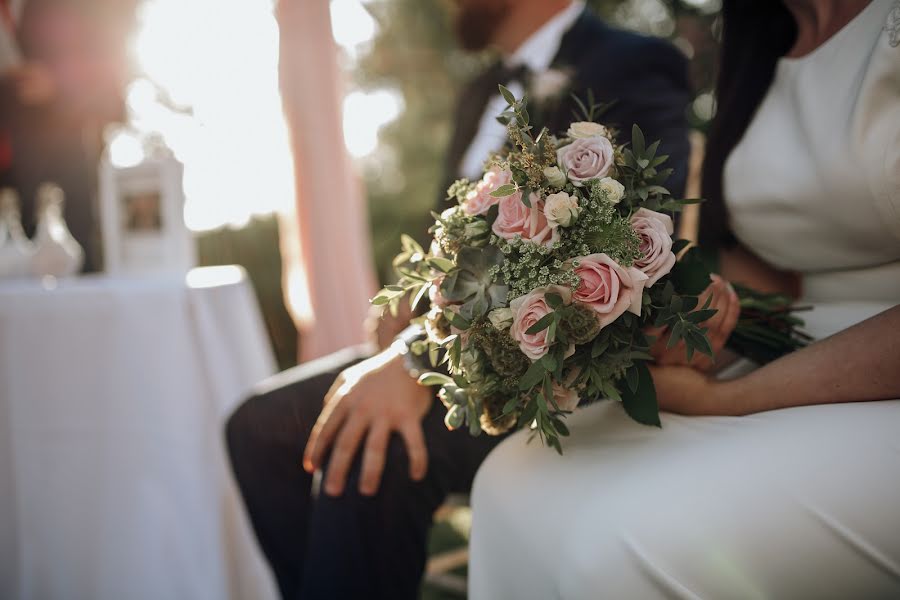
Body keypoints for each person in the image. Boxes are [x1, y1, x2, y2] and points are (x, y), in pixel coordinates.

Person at [226, 1, 692, 598]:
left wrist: (417, 358)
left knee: (377, 438)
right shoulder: (480, 91)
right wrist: (412, 306)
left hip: (558, 370)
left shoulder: (634, 62)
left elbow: (627, 239)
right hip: (452, 352)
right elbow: (459, 244)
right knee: (257, 429)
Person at [468, 0, 900, 597]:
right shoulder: (761, 47)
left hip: (875, 383)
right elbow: (772, 260)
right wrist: (693, 328)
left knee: (619, 546)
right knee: (509, 482)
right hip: (792, 345)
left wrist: (729, 398)